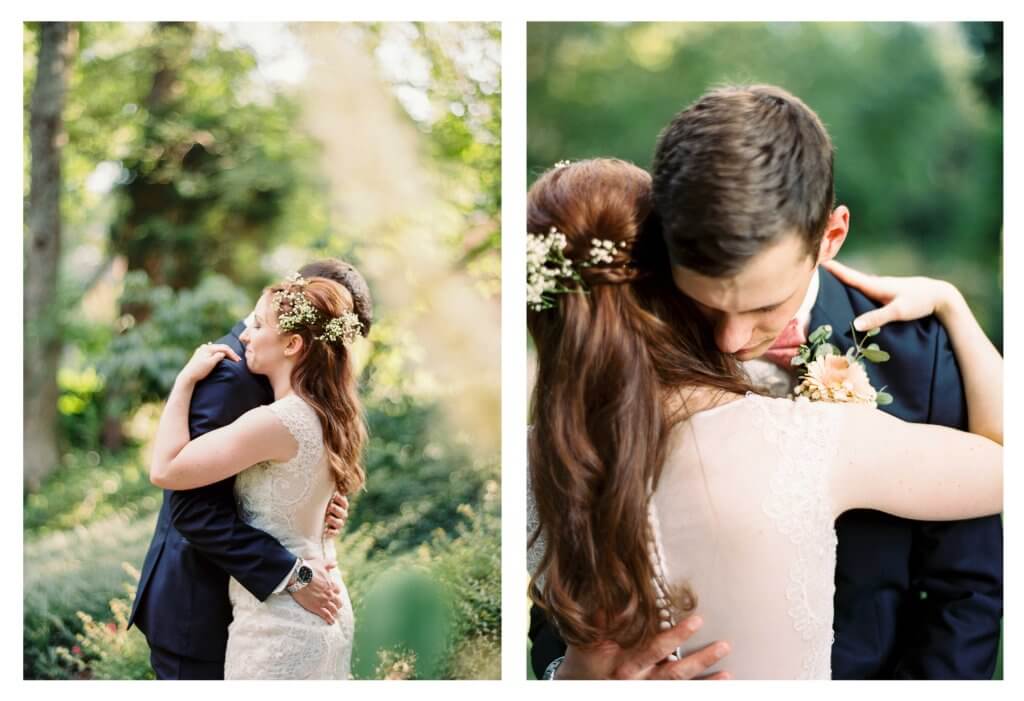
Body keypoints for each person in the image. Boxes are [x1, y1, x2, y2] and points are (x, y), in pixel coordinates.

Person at [526, 151, 1002, 676]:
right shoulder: (816, 438)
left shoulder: (533, 460)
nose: (734, 336)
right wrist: (954, 302)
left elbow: (965, 586)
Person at [129, 259, 373, 679]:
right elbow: (192, 509)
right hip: (205, 608)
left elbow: (166, 469)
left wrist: (183, 381)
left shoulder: (290, 407)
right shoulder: (238, 376)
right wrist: (296, 562)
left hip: (281, 615)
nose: (247, 334)